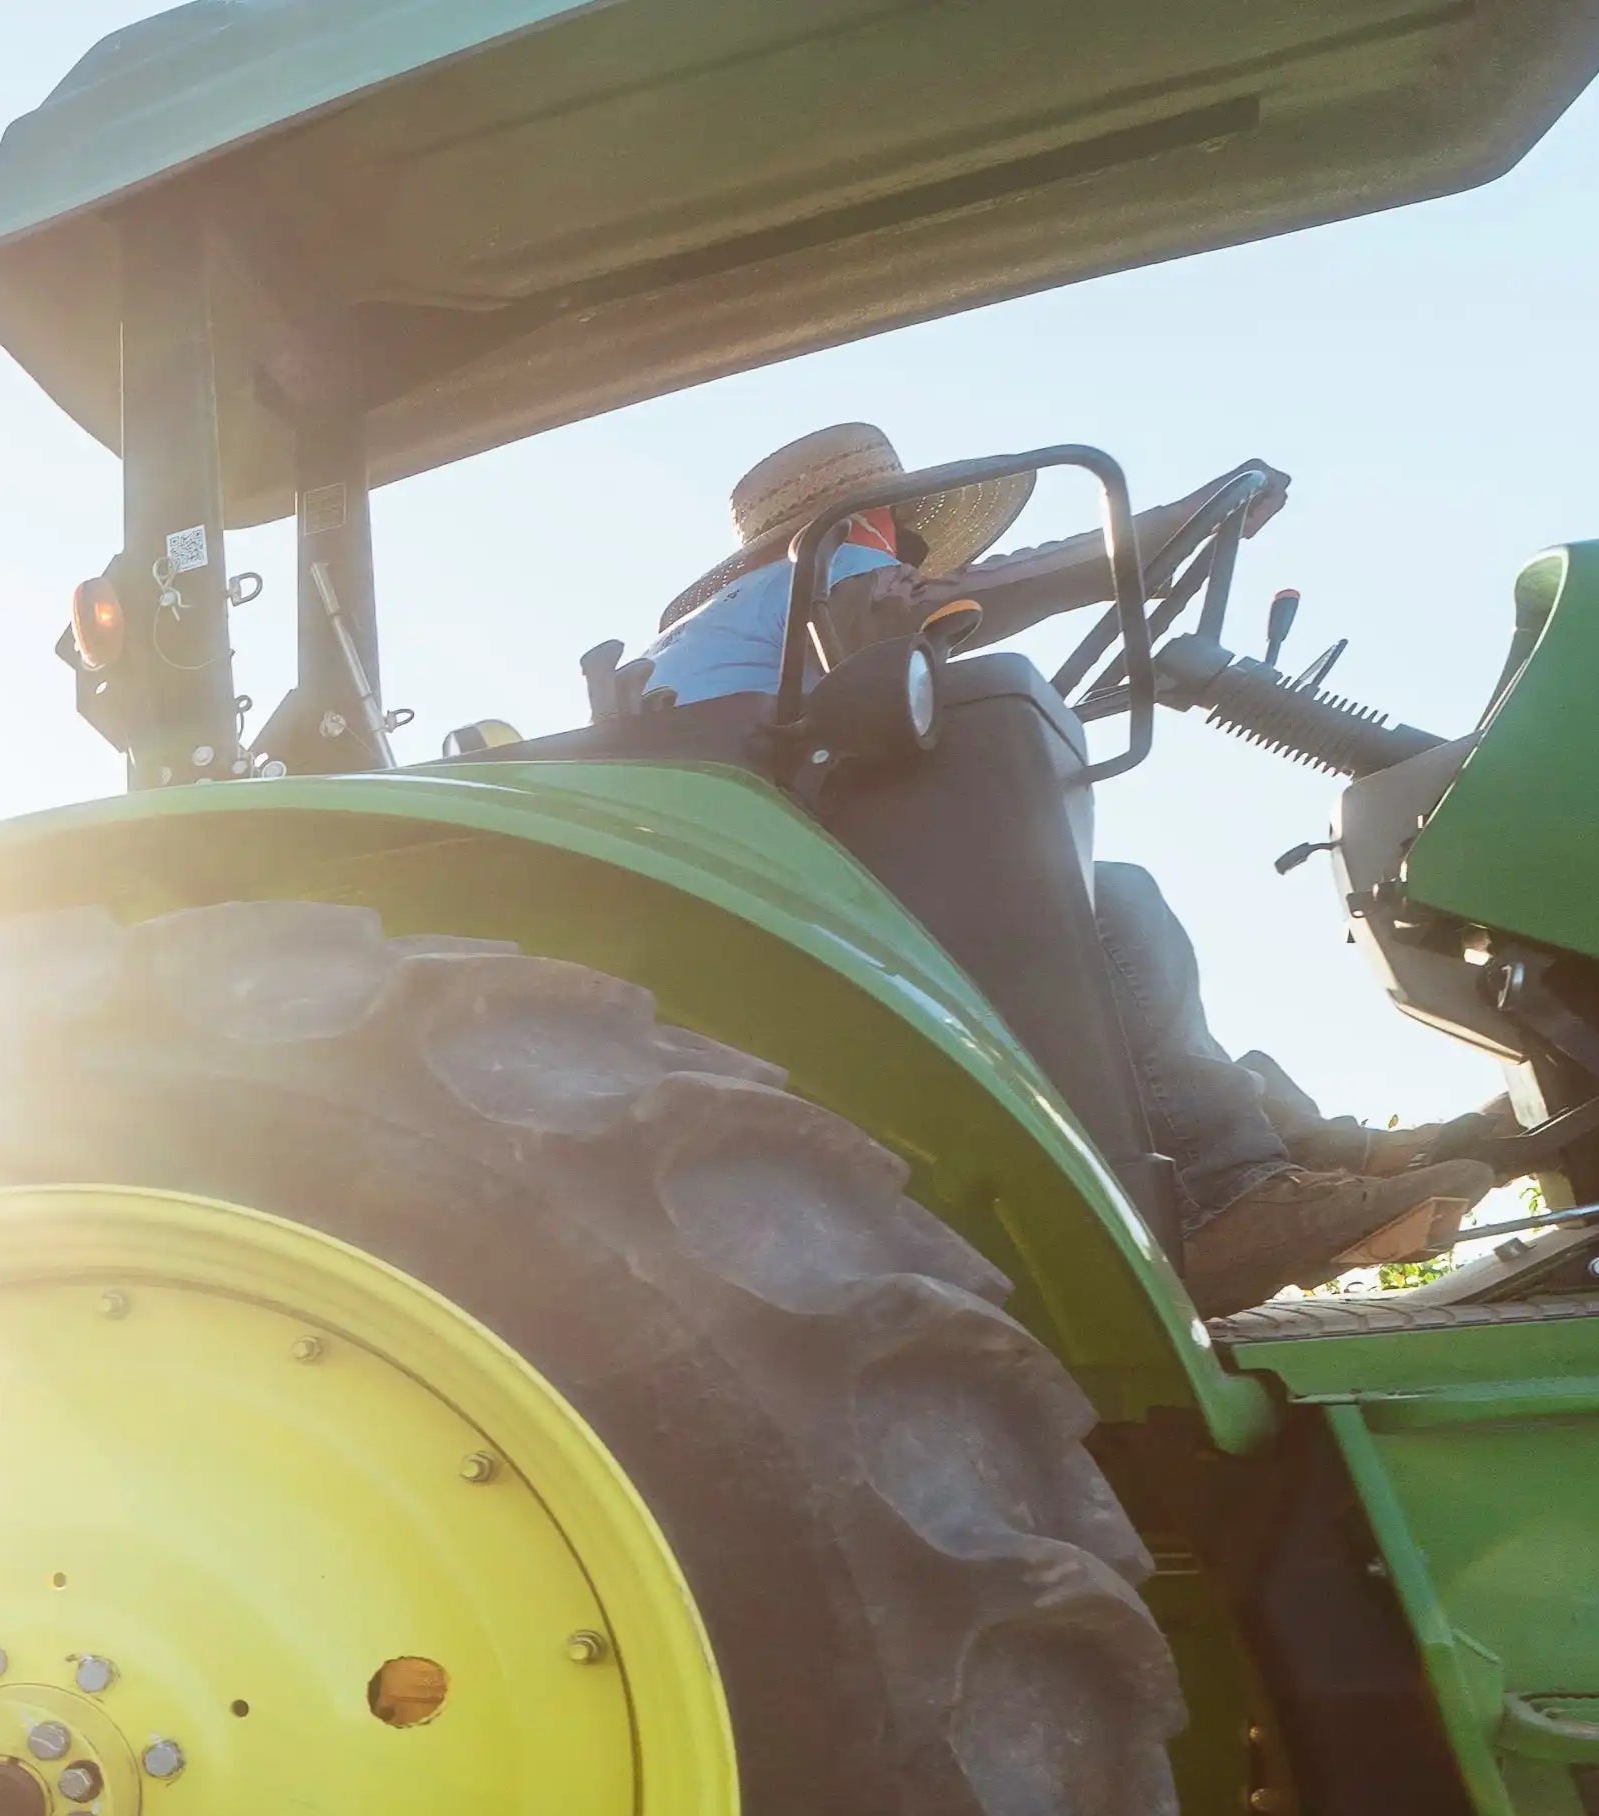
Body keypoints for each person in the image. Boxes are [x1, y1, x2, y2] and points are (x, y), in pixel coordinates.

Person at [642, 423, 1507, 1310]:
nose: (912, 545)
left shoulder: (730, 628)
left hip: (784, 845)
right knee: (1111, 909)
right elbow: (990, 589)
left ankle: (1297, 1147)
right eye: (907, 527)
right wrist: (1169, 524)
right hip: (823, 852)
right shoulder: (829, 561)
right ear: (877, 516)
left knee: (1096, 923)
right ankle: (1232, 1193)